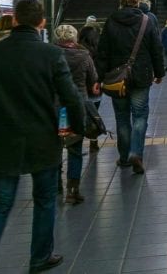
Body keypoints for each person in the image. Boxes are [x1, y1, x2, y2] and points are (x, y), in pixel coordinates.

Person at [0, 0, 82, 274]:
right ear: (42, 22)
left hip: (0, 138)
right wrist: (79, 129)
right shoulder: (51, 54)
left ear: (12, 21)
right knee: (45, 200)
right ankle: (40, 257)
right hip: (42, 138)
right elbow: (71, 97)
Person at [97, 0, 164, 175]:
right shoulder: (147, 21)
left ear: (121, 1)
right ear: (138, 2)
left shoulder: (111, 21)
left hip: (117, 79)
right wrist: (159, 72)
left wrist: (98, 77)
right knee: (140, 116)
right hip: (141, 77)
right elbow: (156, 48)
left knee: (122, 118)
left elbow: (102, 52)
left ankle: (124, 157)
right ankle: (136, 153)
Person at [54, 24, 99, 204]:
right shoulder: (84, 55)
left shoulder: (51, 54)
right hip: (77, 105)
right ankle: (73, 189)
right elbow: (93, 79)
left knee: (55, 145)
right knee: (75, 148)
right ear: (74, 38)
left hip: (54, 106)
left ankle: (56, 182)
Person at [77, 25, 103, 153]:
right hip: (95, 88)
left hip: (80, 89)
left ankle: (78, 141)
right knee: (94, 115)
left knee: (80, 116)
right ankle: (93, 141)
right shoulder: (99, 51)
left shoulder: (78, 50)